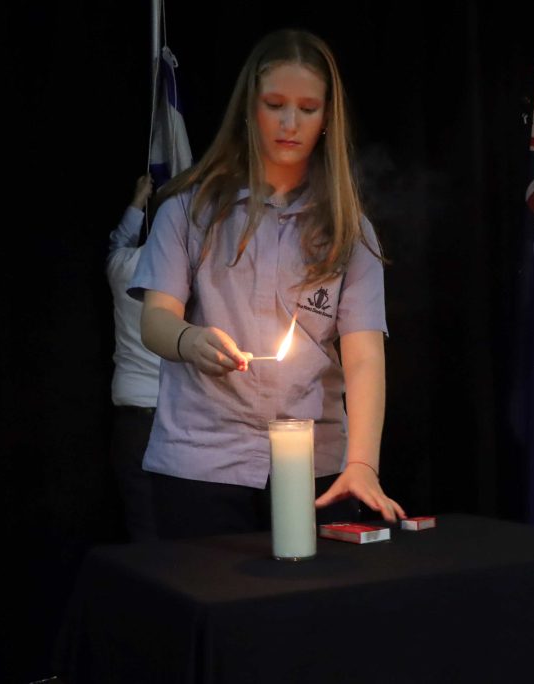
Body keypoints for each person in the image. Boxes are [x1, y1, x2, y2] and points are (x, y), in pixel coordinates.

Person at [128, 28, 406, 540]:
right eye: (274, 104)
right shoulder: (187, 212)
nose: (289, 123)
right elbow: (155, 321)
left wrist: (362, 464)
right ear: (248, 108)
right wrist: (190, 341)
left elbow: (364, 356)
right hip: (201, 465)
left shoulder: (349, 230)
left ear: (328, 119)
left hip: (316, 471)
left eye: (307, 108)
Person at [106, 173, 158, 541]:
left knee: (142, 526)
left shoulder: (120, 266)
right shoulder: (180, 278)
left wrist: (138, 200)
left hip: (130, 421)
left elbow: (118, 243)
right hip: (170, 420)